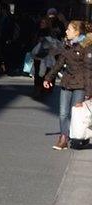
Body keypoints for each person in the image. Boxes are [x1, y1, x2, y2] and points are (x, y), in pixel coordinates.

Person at [43, 21, 92, 150]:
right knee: (63, 113)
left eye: (69, 29)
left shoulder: (86, 46)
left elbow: (88, 70)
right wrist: (48, 77)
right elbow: (59, 63)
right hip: (66, 83)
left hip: (80, 85)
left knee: (76, 113)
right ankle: (63, 138)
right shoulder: (67, 45)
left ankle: (83, 136)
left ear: (76, 32)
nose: (66, 31)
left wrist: (88, 91)